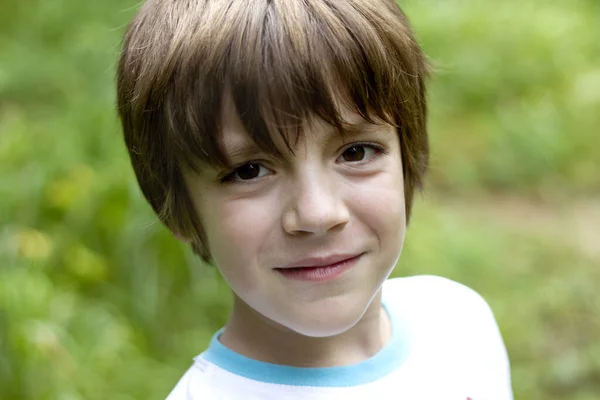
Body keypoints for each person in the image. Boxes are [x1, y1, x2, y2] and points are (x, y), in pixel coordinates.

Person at [116, 0, 513, 398]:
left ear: (407, 156)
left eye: (355, 153)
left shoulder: (460, 323)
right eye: (249, 171)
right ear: (177, 210)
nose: (318, 213)